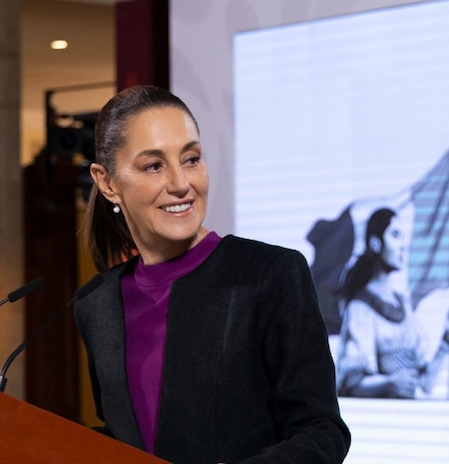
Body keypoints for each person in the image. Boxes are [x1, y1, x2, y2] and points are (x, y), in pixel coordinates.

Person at [74, 85, 350, 463]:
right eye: (154, 165)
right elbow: (124, 438)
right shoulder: (97, 304)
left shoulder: (271, 275)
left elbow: (322, 432)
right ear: (107, 183)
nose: (181, 184)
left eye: (190, 159)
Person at [334, 207, 449, 399]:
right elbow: (351, 383)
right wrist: (388, 384)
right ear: (375, 243)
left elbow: (426, 383)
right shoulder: (360, 309)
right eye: (395, 235)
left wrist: (446, 342)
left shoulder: (403, 305)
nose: (402, 245)